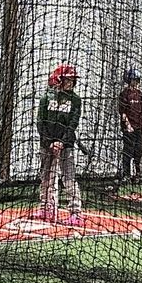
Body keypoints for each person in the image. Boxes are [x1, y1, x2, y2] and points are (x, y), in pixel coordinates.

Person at [37, 63, 83, 226]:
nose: (71, 83)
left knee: (68, 178)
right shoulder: (46, 98)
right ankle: (45, 207)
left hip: (66, 144)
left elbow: (73, 124)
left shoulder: (75, 100)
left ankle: (76, 212)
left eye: (72, 80)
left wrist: (61, 142)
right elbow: (40, 122)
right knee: (46, 177)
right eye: (68, 80)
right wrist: (49, 142)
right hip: (47, 144)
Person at [117, 69, 142, 181]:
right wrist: (128, 125)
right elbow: (123, 113)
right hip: (129, 128)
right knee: (128, 151)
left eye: (137, 80)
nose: (136, 82)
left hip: (138, 126)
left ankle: (137, 174)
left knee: (138, 150)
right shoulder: (124, 94)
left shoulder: (139, 94)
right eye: (134, 80)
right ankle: (126, 174)